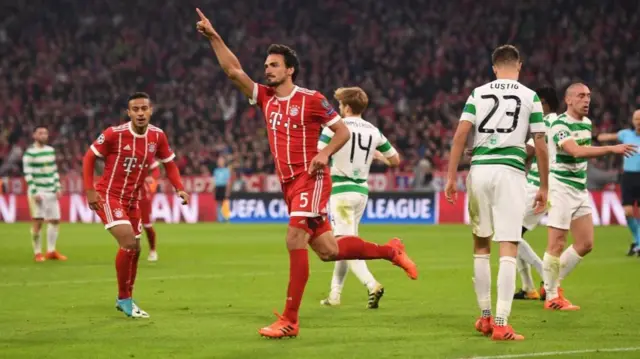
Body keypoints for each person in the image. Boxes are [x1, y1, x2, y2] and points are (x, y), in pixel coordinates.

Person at [195, 8, 418, 338]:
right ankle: (390, 251)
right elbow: (233, 71)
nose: (267, 70)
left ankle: (290, 320)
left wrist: (324, 154)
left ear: (290, 70)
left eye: (273, 65)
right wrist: (214, 36)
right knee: (329, 250)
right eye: (266, 65)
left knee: (293, 238)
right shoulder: (267, 98)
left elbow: (341, 131)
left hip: (310, 179)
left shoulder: (311, 99)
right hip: (289, 185)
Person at [444, 45, 549, 341]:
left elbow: (460, 135)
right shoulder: (530, 96)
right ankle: (502, 324)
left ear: (493, 67)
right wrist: (544, 185)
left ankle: (485, 317)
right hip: (510, 172)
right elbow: (539, 143)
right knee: (508, 245)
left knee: (480, 245)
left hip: (479, 171)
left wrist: (452, 177)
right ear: (519, 65)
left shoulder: (477, 93)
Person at [82, 92, 189, 318]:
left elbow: (170, 164)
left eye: (144, 108)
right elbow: (89, 157)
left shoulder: (157, 137)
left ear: (151, 110)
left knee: (136, 249)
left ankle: (126, 297)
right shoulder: (114, 134)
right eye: (135, 109)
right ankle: (124, 298)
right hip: (109, 195)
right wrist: (90, 190)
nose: (140, 113)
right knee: (129, 243)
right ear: (128, 113)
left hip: (133, 200)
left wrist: (179, 187)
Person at [542, 83, 637, 311]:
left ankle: (551, 284)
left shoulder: (586, 123)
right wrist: (611, 149)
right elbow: (575, 151)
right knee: (556, 243)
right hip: (560, 188)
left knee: (585, 243)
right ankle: (552, 296)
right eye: (581, 96)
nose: (587, 100)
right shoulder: (559, 124)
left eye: (589, 96)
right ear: (569, 100)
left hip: (579, 189)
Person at [318, 87, 401, 309]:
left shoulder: (334, 128)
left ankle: (372, 284)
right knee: (347, 244)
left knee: (344, 245)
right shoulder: (373, 131)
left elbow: (319, 155)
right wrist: (378, 157)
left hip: (341, 192)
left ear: (346, 107)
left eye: (340, 106)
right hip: (361, 192)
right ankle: (335, 295)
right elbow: (395, 160)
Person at [513, 86, 559, 301]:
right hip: (543, 186)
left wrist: (498, 154)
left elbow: (528, 151)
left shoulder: (547, 122)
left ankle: (547, 278)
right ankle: (528, 287)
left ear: (545, 102)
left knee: (510, 233)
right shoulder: (560, 122)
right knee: (514, 234)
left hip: (538, 187)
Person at [595, 110, 640, 255]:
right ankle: (637, 241)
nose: (638, 121)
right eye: (636, 119)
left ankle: (638, 244)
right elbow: (607, 137)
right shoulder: (625, 134)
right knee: (628, 212)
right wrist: (594, 136)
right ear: (633, 120)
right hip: (628, 177)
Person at [22, 126, 66, 262]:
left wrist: (57, 187)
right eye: (40, 133)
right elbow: (28, 174)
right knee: (38, 222)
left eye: (45, 133)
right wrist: (34, 191)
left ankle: (51, 251)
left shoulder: (50, 151)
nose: (43, 135)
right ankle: (37, 252)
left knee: (54, 220)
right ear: (34, 135)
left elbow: (53, 171)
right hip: (38, 192)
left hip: (51, 191)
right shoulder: (29, 153)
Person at [140, 160, 161, 261]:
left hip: (142, 197)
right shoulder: (123, 153)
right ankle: (130, 250)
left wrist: (152, 177)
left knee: (147, 225)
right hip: (127, 195)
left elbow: (156, 168)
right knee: (127, 226)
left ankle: (153, 250)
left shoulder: (144, 152)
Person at [213, 156, 233, 223]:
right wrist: (214, 190)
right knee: (218, 203)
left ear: (224, 162)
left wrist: (227, 191)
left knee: (225, 203)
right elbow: (215, 181)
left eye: (221, 161)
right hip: (218, 187)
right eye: (219, 161)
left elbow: (228, 181)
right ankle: (219, 219)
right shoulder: (216, 171)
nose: (219, 162)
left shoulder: (226, 170)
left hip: (224, 187)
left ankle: (226, 218)